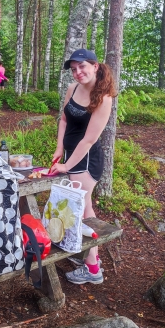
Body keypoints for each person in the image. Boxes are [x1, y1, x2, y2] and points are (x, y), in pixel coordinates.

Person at [49, 48, 117, 284]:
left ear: (95, 66)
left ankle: (92, 267)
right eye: (74, 69)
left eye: (82, 67)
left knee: (84, 209)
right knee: (81, 207)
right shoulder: (73, 88)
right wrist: (60, 149)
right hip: (70, 155)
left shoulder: (104, 98)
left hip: (86, 160)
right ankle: (88, 254)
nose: (78, 72)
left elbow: (89, 140)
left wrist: (67, 165)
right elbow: (64, 119)